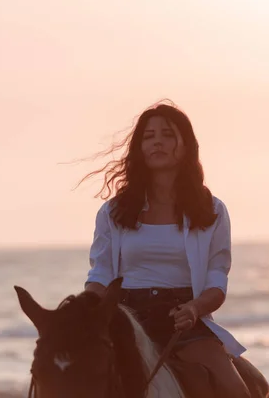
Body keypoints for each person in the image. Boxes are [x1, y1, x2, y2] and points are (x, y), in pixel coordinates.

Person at [82, 102, 251, 398]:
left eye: (167, 135)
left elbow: (216, 279)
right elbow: (101, 274)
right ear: (139, 148)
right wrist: (86, 312)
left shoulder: (211, 211)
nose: (157, 141)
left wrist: (195, 309)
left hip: (184, 317)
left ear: (186, 146)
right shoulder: (113, 212)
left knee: (235, 390)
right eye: (149, 136)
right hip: (126, 317)